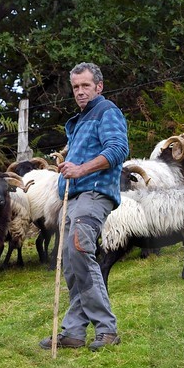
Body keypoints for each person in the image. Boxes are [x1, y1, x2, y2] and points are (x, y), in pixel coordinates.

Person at [42, 62, 129, 351]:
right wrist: (67, 166)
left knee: (80, 251)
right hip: (76, 197)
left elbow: (117, 149)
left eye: (85, 86)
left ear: (99, 87)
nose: (80, 92)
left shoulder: (107, 112)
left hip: (93, 194)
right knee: (70, 260)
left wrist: (80, 170)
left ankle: (107, 329)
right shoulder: (80, 120)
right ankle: (74, 332)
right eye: (76, 87)